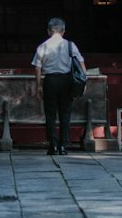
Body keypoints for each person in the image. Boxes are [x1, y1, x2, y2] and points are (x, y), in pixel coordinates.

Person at [33, 16, 85, 156]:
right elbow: (81, 63)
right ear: (63, 31)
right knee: (65, 113)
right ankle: (63, 146)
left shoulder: (43, 46)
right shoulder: (70, 45)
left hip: (49, 81)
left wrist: (38, 86)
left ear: (49, 31)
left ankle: (53, 146)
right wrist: (83, 82)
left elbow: (37, 68)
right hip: (66, 81)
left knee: (50, 114)